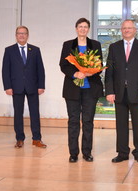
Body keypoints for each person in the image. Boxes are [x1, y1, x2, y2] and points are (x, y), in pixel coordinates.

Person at [105, 19, 138, 163]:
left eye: (129, 28)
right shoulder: (114, 47)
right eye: (124, 28)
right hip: (119, 93)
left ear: (135, 30)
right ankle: (122, 152)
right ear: (121, 30)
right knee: (121, 125)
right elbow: (109, 72)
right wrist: (109, 91)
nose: (127, 30)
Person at [60, 18, 104, 163]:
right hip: (72, 89)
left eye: (85, 27)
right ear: (76, 28)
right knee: (73, 121)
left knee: (88, 121)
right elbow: (63, 65)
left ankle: (87, 152)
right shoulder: (68, 45)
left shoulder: (95, 44)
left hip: (90, 89)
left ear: (88, 29)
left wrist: (92, 71)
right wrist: (75, 74)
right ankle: (73, 153)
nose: (83, 29)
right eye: (80, 26)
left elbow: (99, 64)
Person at [2, 26, 47, 149]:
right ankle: (19, 139)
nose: (21, 35)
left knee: (35, 113)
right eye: (19, 33)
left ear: (28, 35)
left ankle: (37, 139)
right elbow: (5, 70)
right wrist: (7, 87)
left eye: (24, 33)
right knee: (18, 113)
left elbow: (40, 69)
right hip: (16, 87)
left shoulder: (35, 50)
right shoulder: (9, 50)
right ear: (16, 35)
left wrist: (41, 85)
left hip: (33, 86)